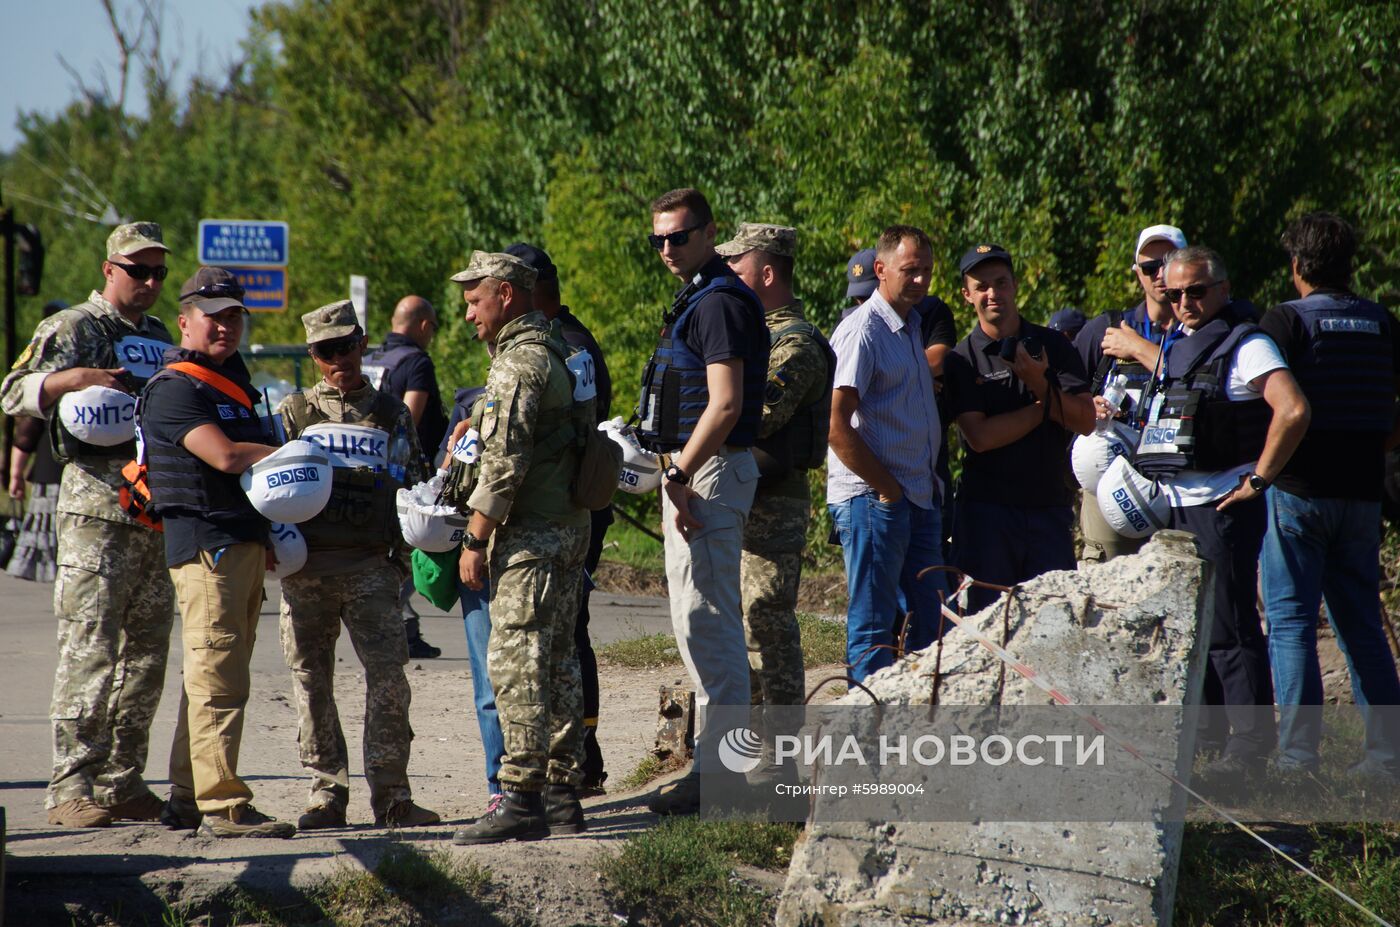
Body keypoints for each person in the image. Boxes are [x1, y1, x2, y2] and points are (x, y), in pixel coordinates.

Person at [0, 222, 175, 828]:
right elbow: (11, 392)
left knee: (147, 657)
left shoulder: (158, 333)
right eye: (138, 270)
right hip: (95, 513)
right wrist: (68, 380)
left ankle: (122, 781)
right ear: (109, 269)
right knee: (90, 650)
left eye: (159, 273)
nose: (150, 282)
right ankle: (69, 787)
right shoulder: (74, 327)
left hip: (152, 514)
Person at [1135, 245, 1310, 780]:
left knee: (1232, 628)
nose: (1186, 301)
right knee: (1198, 629)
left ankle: (1250, 748)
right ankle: (1208, 739)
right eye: (1176, 292)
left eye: (1198, 291)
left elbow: (1294, 407)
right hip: (1178, 504)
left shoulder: (1247, 344)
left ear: (1222, 290)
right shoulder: (1181, 343)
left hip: (1222, 505)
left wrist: (1260, 477)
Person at [139, 266, 293, 838]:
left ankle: (186, 794)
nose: (225, 326)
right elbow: (226, 458)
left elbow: (246, 472)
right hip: (207, 548)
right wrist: (294, 452)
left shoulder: (235, 379)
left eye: (234, 316)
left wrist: (268, 533)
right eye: (213, 316)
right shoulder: (175, 389)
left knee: (211, 673)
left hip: (241, 542)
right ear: (185, 322)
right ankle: (224, 806)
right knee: (217, 680)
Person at [276, 300, 441, 829]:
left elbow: (414, 486)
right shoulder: (293, 414)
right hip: (307, 572)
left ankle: (392, 796)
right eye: (327, 350)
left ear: (363, 343)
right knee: (311, 681)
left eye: (347, 345)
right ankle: (327, 794)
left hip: (371, 567)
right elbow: (264, 492)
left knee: (388, 680)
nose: (339, 358)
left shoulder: (392, 413)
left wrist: (401, 563)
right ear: (313, 355)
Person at [448, 251, 593, 844]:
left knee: (517, 664)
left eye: (474, 301)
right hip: (567, 528)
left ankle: (522, 797)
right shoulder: (559, 350)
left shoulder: (518, 363)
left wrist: (474, 537)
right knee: (558, 660)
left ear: (505, 295)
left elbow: (505, 462)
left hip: (530, 536)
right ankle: (562, 796)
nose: (467, 316)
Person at [637, 188, 769, 815]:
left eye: (679, 236)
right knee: (699, 627)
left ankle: (724, 784)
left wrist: (680, 474)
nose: (668, 248)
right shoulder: (702, 295)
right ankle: (716, 776)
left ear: (710, 233)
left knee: (712, 630)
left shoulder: (716, 302)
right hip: (698, 474)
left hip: (707, 476)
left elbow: (726, 403)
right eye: (658, 239)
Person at [1258, 213, 1400, 782]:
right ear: (1350, 265)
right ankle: (1386, 760)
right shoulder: (1382, 322)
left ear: (1297, 267)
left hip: (1298, 492)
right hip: (1363, 496)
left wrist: (1260, 476)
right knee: (1363, 623)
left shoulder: (1287, 321)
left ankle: (1297, 761)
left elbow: (1278, 404)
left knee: (1291, 623)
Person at [503, 241, 613, 793]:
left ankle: (555, 773)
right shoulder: (571, 341)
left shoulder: (556, 347)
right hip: (573, 510)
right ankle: (574, 771)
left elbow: (537, 441)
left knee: (543, 646)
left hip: (550, 516)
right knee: (565, 642)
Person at [718, 223, 831, 742]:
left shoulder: (796, 344)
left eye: (736, 269)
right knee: (738, 626)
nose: (727, 277)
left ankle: (781, 749)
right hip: (737, 497)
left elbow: (759, 414)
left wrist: (712, 402)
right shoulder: (755, 336)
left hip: (772, 502)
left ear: (766, 273)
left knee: (767, 624)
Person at [943, 244, 1096, 613]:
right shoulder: (960, 360)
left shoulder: (1053, 345)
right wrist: (1044, 406)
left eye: (1000, 283)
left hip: (1048, 509)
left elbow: (1085, 420)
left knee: (1055, 625)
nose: (992, 293)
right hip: (987, 517)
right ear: (967, 295)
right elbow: (980, 437)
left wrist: (1041, 384)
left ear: (1014, 286)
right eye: (981, 286)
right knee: (992, 629)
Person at [827, 226, 946, 684]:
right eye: (909, 270)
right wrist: (887, 489)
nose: (919, 280)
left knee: (932, 623)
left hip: (915, 496)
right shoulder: (863, 331)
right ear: (880, 269)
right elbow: (836, 425)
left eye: (926, 272)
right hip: (875, 500)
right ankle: (868, 738)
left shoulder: (912, 325)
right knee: (874, 626)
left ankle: (916, 731)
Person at [1073, 224, 1188, 562]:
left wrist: (1139, 350)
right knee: (1104, 598)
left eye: (1167, 263)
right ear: (1137, 274)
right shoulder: (1106, 328)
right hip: (1110, 484)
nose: (1159, 275)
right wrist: (1084, 406)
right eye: (1150, 267)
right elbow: (1061, 392)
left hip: (1182, 489)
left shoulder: (1205, 331)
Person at [364, 295, 447, 659]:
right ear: (424, 326)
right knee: (420, 547)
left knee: (393, 552)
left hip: (369, 470)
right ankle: (390, 618)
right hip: (410, 475)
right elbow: (408, 421)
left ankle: (407, 630)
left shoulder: (370, 358)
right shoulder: (417, 362)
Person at [439, 384, 505, 802]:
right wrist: (454, 449)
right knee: (488, 684)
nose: (468, 313)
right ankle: (499, 785)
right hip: (479, 559)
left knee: (539, 674)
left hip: (528, 555)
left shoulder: (547, 389)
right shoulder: (473, 405)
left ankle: (545, 782)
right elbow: (445, 482)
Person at [7, 301, 70, 582]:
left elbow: (27, 432)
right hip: (69, 468)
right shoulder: (75, 370)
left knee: (50, 535)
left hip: (49, 469)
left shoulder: (49, 377)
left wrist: (15, 475)